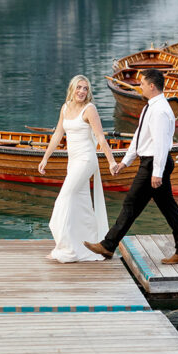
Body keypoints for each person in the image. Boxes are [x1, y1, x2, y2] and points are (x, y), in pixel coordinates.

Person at [83, 67, 178, 264]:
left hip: (154, 164)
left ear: (152, 86)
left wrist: (157, 172)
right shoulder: (149, 107)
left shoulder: (160, 110)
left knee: (130, 205)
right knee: (169, 209)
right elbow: (139, 138)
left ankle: (108, 245)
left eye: (142, 83)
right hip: (151, 162)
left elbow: (160, 144)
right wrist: (125, 162)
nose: (139, 86)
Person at [38, 74, 120, 263]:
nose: (82, 91)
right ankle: (88, 245)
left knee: (63, 201)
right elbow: (58, 134)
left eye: (85, 88)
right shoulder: (65, 108)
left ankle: (65, 249)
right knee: (81, 204)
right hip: (73, 162)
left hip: (86, 160)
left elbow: (100, 137)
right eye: (79, 87)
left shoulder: (89, 109)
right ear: (72, 88)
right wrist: (45, 158)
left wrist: (111, 161)